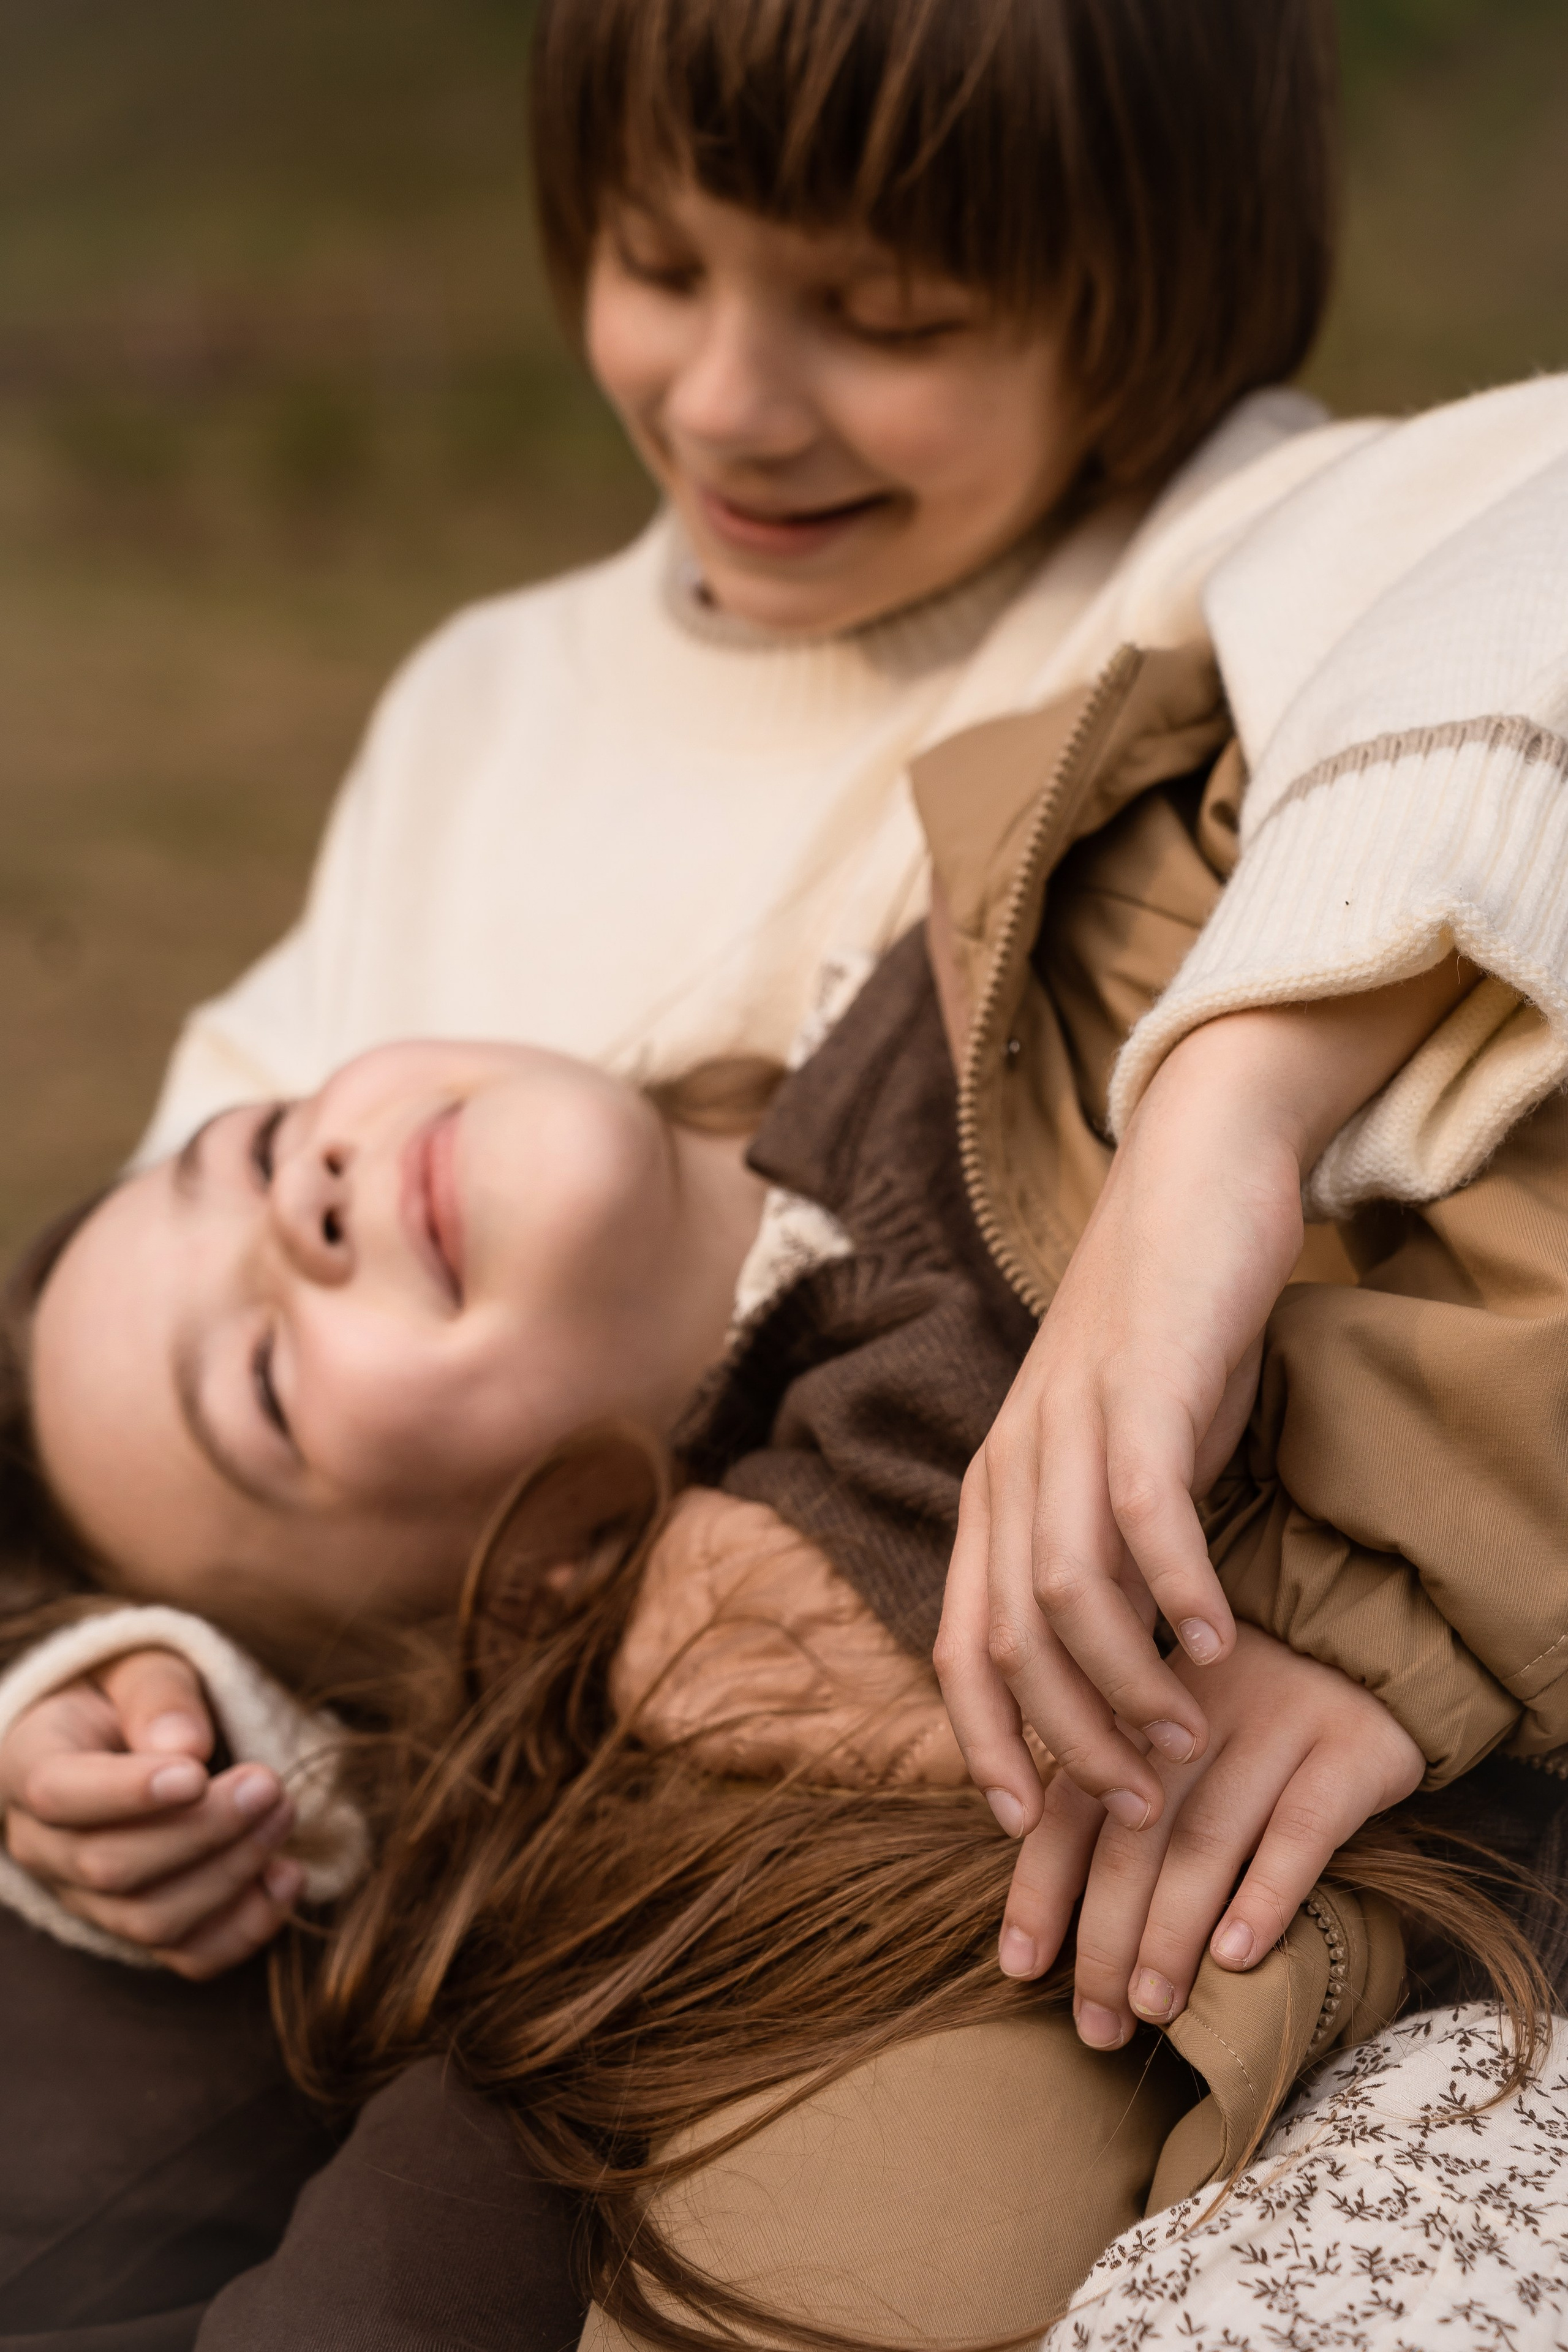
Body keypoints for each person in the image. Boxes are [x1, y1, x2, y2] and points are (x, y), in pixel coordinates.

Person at [4, 0, 1568, 2335]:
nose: (732, 401)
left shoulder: (1232, 551)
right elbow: (152, 1344)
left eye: (890, 315)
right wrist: (137, 1687)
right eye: (656, 264)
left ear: (1150, 295)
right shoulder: (486, 713)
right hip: (591, 1720)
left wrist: (1220, 1131)